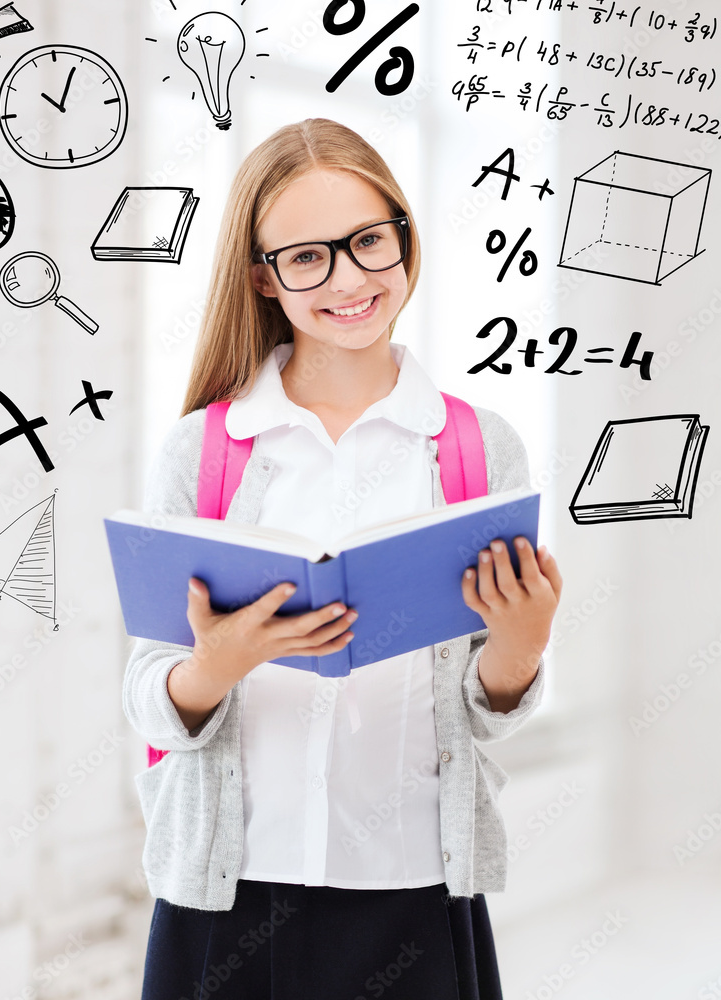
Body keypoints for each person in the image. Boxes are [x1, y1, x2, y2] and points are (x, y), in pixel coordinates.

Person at [123, 118, 562, 1000]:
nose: (351, 279)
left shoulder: (477, 449)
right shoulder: (204, 452)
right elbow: (149, 698)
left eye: (369, 241)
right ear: (263, 277)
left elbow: (489, 709)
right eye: (307, 257)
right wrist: (217, 667)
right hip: (228, 888)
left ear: (405, 236)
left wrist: (524, 645)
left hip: (411, 886)